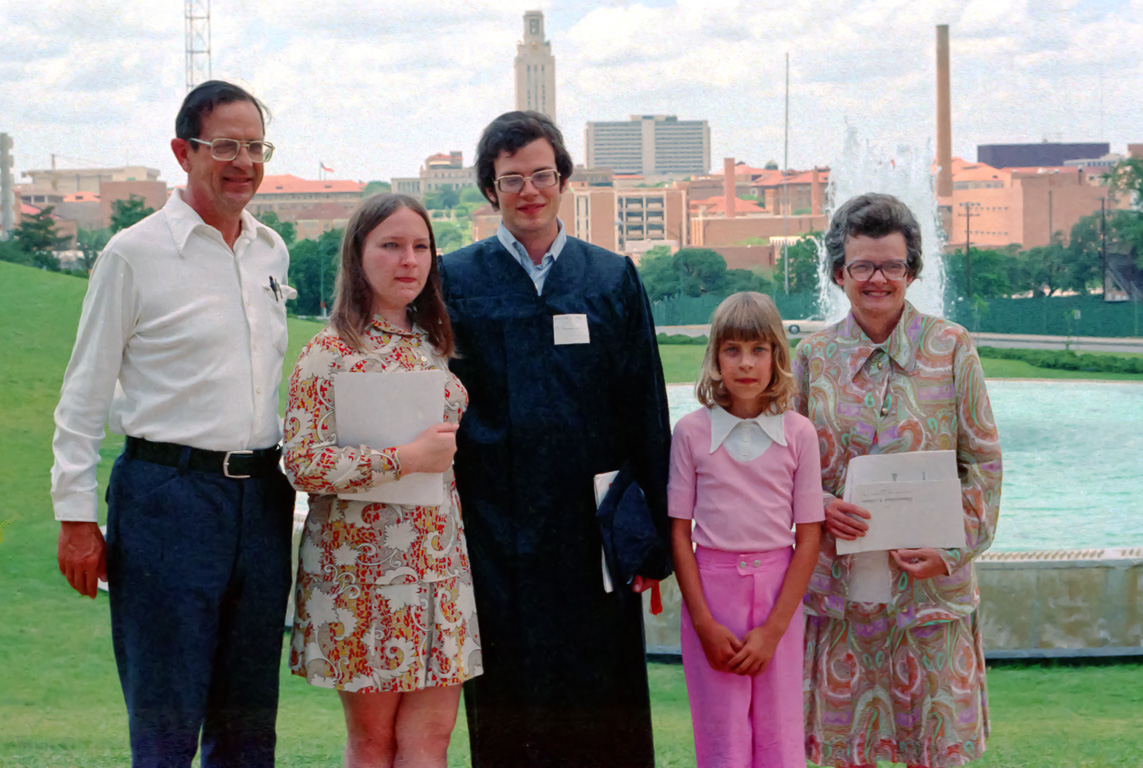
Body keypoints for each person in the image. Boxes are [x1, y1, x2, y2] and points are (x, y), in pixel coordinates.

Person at [50, 80, 295, 766]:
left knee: (248, 723)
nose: (242, 162)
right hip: (167, 499)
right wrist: (74, 515)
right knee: (165, 721)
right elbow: (83, 392)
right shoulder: (134, 254)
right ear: (183, 152)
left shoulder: (269, 251)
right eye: (225, 146)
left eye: (255, 147)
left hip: (261, 499)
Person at [440, 110, 672, 768]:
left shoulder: (609, 279)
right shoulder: (457, 280)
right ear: (490, 190)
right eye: (510, 180)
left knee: (605, 700)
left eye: (541, 175)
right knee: (510, 699)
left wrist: (651, 535)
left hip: (594, 529)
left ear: (563, 178)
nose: (529, 191)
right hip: (496, 530)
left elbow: (646, 412)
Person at [794, 193, 1003, 768]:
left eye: (891, 265)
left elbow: (983, 464)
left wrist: (953, 549)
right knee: (843, 755)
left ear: (911, 270)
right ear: (839, 273)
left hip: (930, 597)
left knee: (934, 755)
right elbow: (782, 470)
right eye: (862, 265)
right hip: (839, 598)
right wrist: (817, 502)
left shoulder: (953, 348)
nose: (877, 278)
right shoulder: (812, 358)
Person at [284, 193, 481, 768]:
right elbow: (302, 461)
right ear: (358, 255)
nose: (408, 260)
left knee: (432, 739)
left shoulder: (434, 347)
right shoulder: (329, 353)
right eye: (391, 245)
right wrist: (404, 459)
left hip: (438, 564)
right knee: (373, 741)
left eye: (420, 247)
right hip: (361, 573)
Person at [668, 292, 823, 768]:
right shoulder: (691, 433)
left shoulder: (799, 434)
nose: (746, 363)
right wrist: (704, 625)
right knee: (723, 740)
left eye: (759, 350)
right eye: (732, 349)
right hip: (712, 597)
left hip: (779, 596)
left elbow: (809, 536)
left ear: (778, 356)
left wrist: (774, 630)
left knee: (779, 739)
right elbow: (679, 533)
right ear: (715, 357)